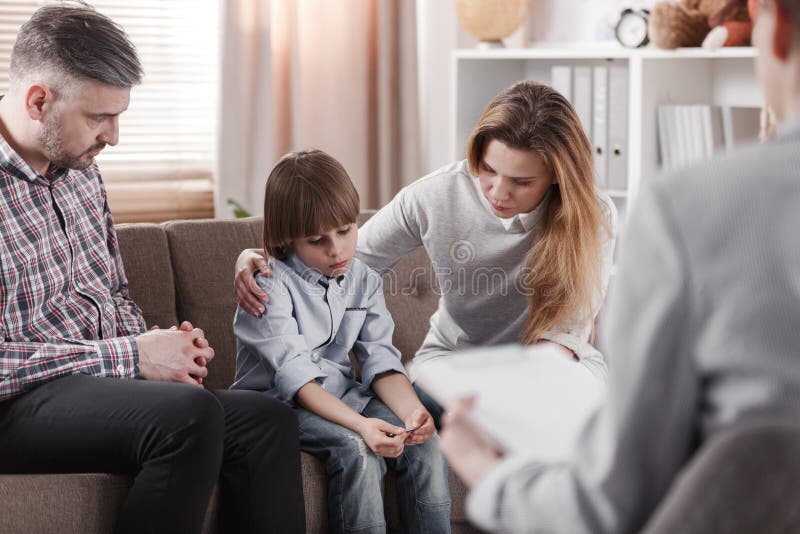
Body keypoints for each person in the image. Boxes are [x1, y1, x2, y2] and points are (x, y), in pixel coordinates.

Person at [437, 0, 800, 532]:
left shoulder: (691, 208)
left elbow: (609, 503)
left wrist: (487, 474)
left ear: (775, 25)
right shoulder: (438, 195)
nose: (499, 191)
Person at [0, 5, 304, 533]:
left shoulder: (80, 173)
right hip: (17, 404)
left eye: (119, 116)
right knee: (188, 418)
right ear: (39, 100)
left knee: (267, 421)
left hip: (94, 386)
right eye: (99, 117)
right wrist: (130, 356)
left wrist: (164, 351)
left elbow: (111, 292)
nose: (113, 136)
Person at [233, 81, 618, 424]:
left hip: (552, 366)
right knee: (461, 411)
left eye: (521, 182)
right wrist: (265, 256)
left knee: (562, 413)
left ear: (557, 176)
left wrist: (518, 394)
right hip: (454, 363)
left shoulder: (592, 217)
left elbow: (562, 338)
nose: (498, 192)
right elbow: (350, 259)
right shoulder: (437, 194)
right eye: (488, 170)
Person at [232, 149, 451, 534]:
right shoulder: (268, 285)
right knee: (357, 449)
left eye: (346, 231)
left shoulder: (362, 279)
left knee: (425, 446)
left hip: (343, 397)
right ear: (288, 240)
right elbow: (299, 384)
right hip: (280, 409)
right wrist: (363, 425)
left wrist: (414, 414)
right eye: (318, 240)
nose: (337, 250)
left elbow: (380, 361)